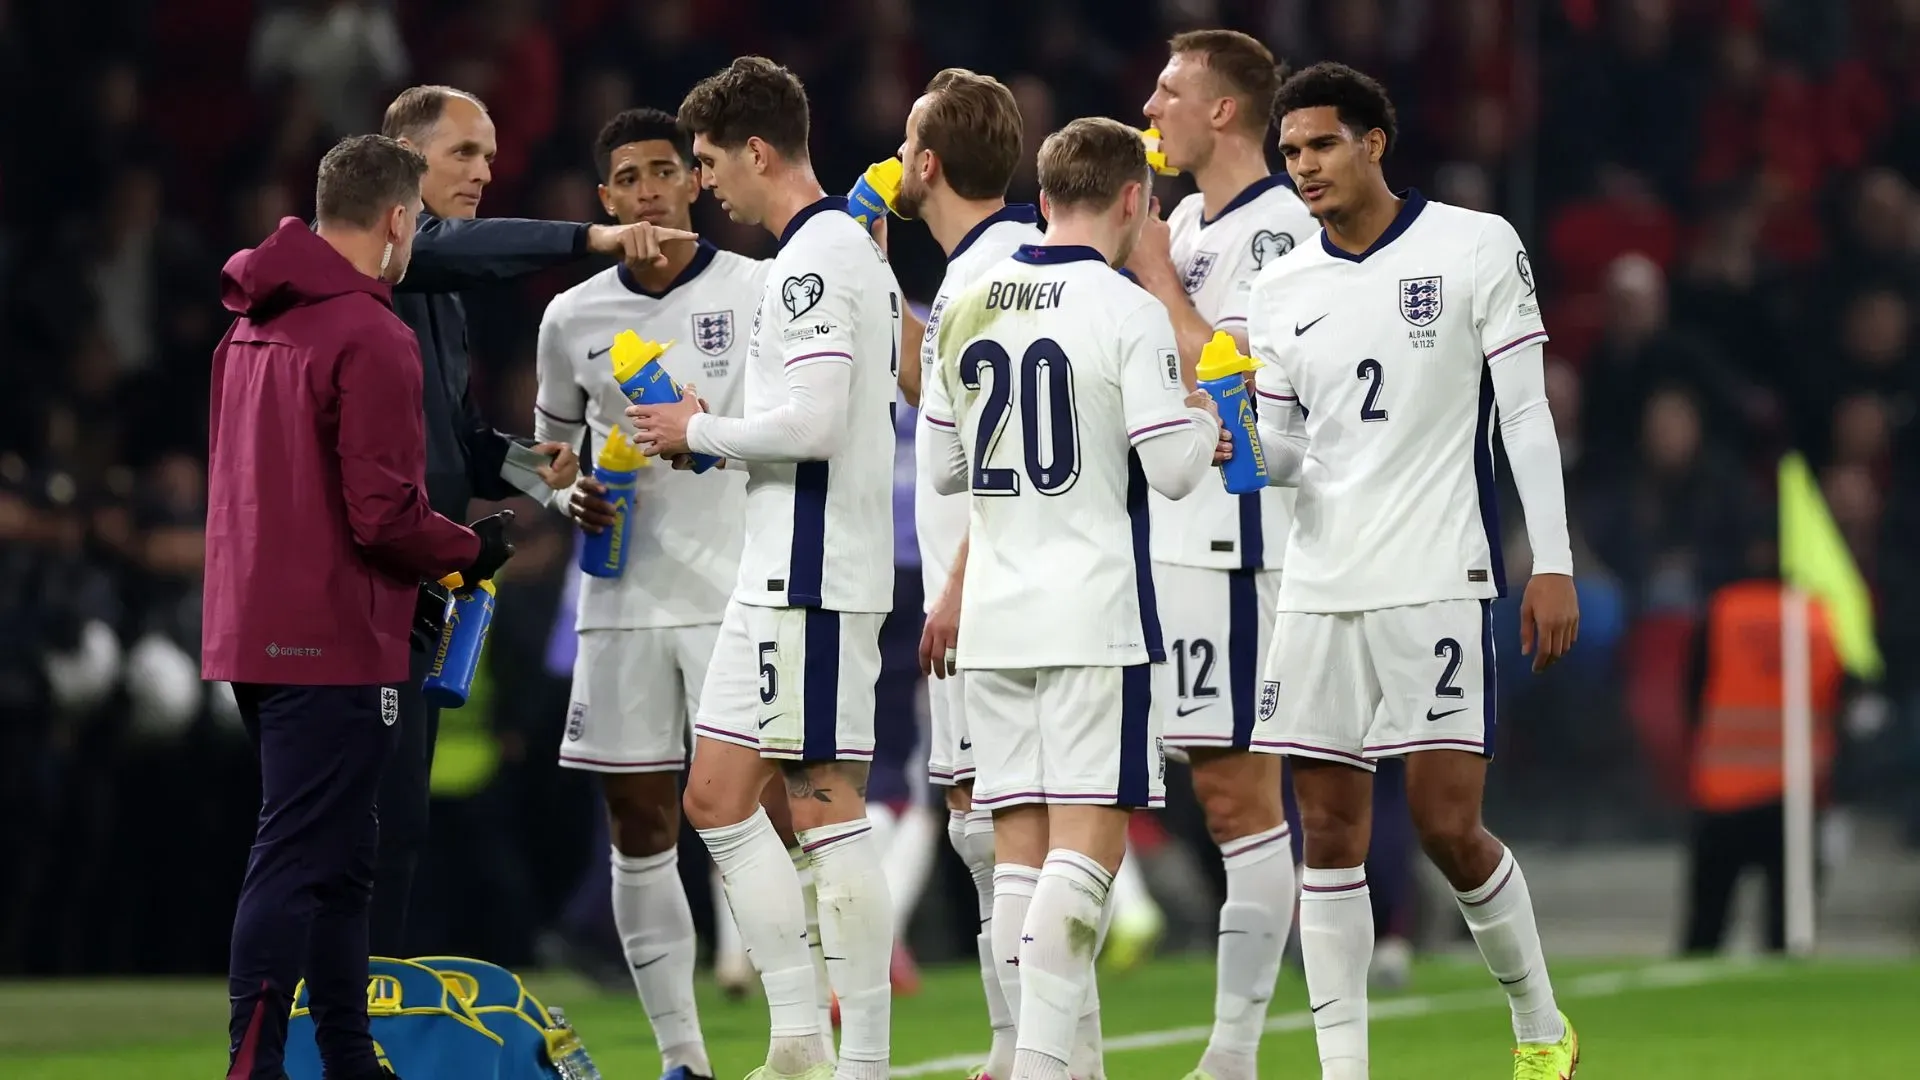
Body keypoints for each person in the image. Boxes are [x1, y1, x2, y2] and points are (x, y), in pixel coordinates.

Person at [1240, 63, 1581, 1079]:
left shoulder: (1475, 244)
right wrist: (1241, 432)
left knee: (1446, 824)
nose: (1303, 166)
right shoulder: (1279, 288)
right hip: (1318, 585)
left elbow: (1523, 414)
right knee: (1328, 832)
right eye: (1290, 152)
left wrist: (1550, 562)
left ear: (1374, 141)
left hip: (1436, 574)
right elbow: (1291, 457)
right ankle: (1346, 1068)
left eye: (1321, 145)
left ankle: (1538, 1026)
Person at [204, 134, 517, 1080]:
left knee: (342, 859)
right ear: (395, 220)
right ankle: (254, 1064)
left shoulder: (248, 325)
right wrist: (472, 550)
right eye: (414, 225)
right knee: (301, 854)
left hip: (252, 626)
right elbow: (383, 517)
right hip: (335, 637)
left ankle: (349, 1056)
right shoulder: (372, 334)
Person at [921, 116, 1226, 1080]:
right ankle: (1048, 1067)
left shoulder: (964, 298)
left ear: (1043, 198)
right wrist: (1210, 417)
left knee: (1018, 850)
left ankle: (1024, 1055)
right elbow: (1173, 472)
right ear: (1136, 200)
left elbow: (941, 467)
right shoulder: (1128, 309)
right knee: (1086, 855)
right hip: (1095, 615)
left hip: (998, 616)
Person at [531, 106, 832, 1080]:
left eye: (668, 169)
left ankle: (805, 1035)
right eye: (631, 176)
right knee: (639, 824)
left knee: (764, 813)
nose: (652, 189)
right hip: (621, 601)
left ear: (697, 183)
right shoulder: (570, 318)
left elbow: (803, 418)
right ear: (605, 200)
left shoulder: (758, 289)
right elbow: (552, 451)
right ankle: (683, 1061)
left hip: (737, 589)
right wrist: (567, 487)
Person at [629, 56, 903, 1080]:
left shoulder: (816, 258)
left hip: (818, 568)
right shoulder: (827, 252)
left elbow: (819, 425)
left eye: (706, 162)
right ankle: (798, 1040)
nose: (703, 185)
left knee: (825, 804)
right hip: (774, 565)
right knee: (714, 796)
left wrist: (703, 428)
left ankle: (861, 1060)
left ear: (756, 150)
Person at [372, 84, 694, 952]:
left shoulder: (438, 299)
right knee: (360, 826)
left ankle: (361, 1015)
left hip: (420, 590)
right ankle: (319, 1020)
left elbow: (464, 439)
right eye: (465, 154)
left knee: (397, 822)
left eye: (489, 153)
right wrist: (590, 240)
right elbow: (437, 246)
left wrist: (550, 478)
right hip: (360, 589)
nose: (487, 170)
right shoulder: (384, 257)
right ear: (405, 164)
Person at [1126, 30, 1318, 1080]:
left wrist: (1154, 276)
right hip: (1170, 537)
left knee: (1244, 798)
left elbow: (1235, 386)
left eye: (1170, 90)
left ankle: (1235, 1052)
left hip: (1241, 544)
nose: (1151, 106)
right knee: (1202, 793)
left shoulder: (1282, 229)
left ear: (1226, 112)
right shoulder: (1188, 218)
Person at [889, 67, 1042, 1080]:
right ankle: (1016, 1045)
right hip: (976, 591)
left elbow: (1015, 459)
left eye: (907, 143)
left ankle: (1046, 1049)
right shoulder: (979, 268)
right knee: (979, 825)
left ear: (931, 164)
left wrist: (957, 583)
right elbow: (935, 392)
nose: (897, 158)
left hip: (998, 593)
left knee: (1015, 827)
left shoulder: (1004, 273)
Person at [1680, 537, 1842, 955]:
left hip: (1723, 793)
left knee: (1704, 932)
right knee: (1788, 936)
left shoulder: (1721, 610)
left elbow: (1693, 693)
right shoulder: (1821, 616)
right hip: (1795, 795)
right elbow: (1841, 698)